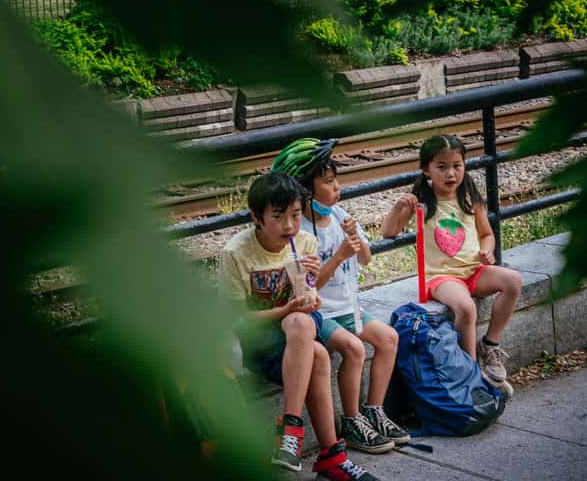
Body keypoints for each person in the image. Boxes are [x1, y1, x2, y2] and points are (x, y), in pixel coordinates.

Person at [217, 171, 380, 479]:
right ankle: (332, 456)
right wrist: (286, 310)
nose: (289, 226)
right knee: (317, 353)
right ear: (256, 216)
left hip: (299, 327)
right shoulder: (236, 253)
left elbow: (310, 298)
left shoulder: (304, 242)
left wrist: (312, 288)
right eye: (278, 217)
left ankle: (291, 431)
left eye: (294, 215)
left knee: (301, 322)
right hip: (261, 342)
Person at [272, 139, 408, 453]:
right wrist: (336, 257)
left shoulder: (337, 215)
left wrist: (355, 241)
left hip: (349, 307)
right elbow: (308, 287)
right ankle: (352, 418)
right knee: (354, 349)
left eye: (337, 180)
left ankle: (374, 411)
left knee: (388, 338)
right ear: (305, 190)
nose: (337, 188)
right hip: (324, 314)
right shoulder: (299, 232)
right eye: (329, 182)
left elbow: (366, 260)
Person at [380, 134, 522, 397]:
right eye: (442, 167)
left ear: (464, 164)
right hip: (442, 278)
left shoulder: (469, 196)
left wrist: (487, 252)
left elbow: (487, 234)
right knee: (466, 308)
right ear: (426, 169)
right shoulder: (421, 199)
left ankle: (490, 345)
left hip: (473, 271)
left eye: (457, 165)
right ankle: (472, 375)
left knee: (512, 280)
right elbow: (389, 232)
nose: (451, 173)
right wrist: (398, 207)